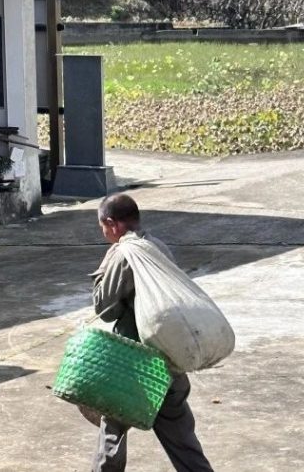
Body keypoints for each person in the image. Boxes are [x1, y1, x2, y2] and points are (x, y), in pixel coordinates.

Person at [90, 193, 214, 472]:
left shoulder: (125, 254)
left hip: (134, 363)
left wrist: (102, 274)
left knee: (112, 434)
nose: (104, 234)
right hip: (169, 359)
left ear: (112, 224)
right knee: (182, 442)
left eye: (103, 228)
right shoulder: (159, 247)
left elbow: (105, 309)